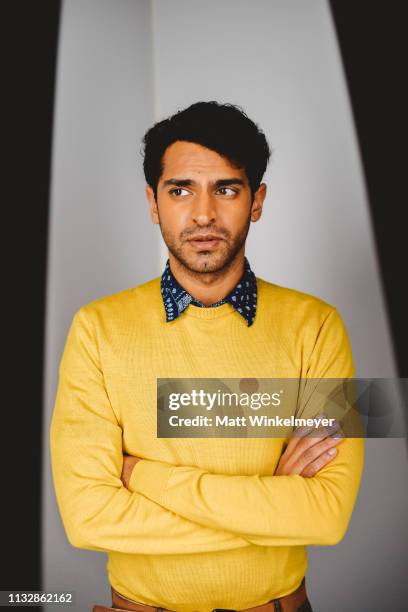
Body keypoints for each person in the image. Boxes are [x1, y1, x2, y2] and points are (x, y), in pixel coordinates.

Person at [50, 101, 364, 612]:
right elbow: (87, 519)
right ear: (153, 203)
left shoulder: (320, 327)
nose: (203, 213)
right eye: (180, 190)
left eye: (226, 188)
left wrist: (143, 477)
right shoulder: (96, 329)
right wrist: (270, 506)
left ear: (256, 201)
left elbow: (327, 516)